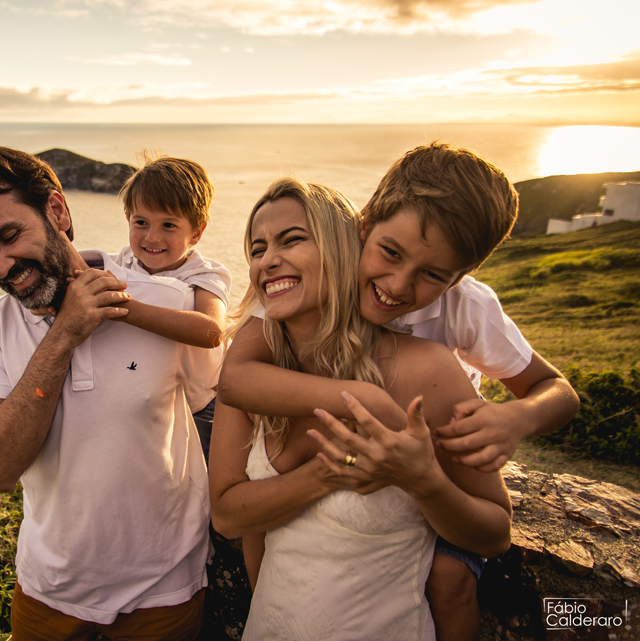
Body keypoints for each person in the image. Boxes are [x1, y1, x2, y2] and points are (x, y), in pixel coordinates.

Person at [217, 143, 579, 640]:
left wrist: (514, 418)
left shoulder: (458, 319)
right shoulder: (279, 314)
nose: (398, 285)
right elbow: (234, 385)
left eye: (433, 275)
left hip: (432, 471)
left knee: (450, 577)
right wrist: (363, 403)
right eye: (389, 252)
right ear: (361, 227)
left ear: (459, 277)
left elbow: (552, 391)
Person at [0, 146, 221, 641]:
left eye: (7, 236)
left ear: (57, 212)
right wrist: (64, 333)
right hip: (49, 591)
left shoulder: (167, 301)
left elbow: (212, 400)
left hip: (164, 588)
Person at [109, 153, 245, 640]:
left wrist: (125, 308)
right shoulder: (123, 262)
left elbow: (210, 330)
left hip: (202, 409)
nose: (151, 237)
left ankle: (204, 581)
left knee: (205, 505)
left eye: (169, 224)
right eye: (140, 222)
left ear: (198, 230)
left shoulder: (206, 275)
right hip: (147, 399)